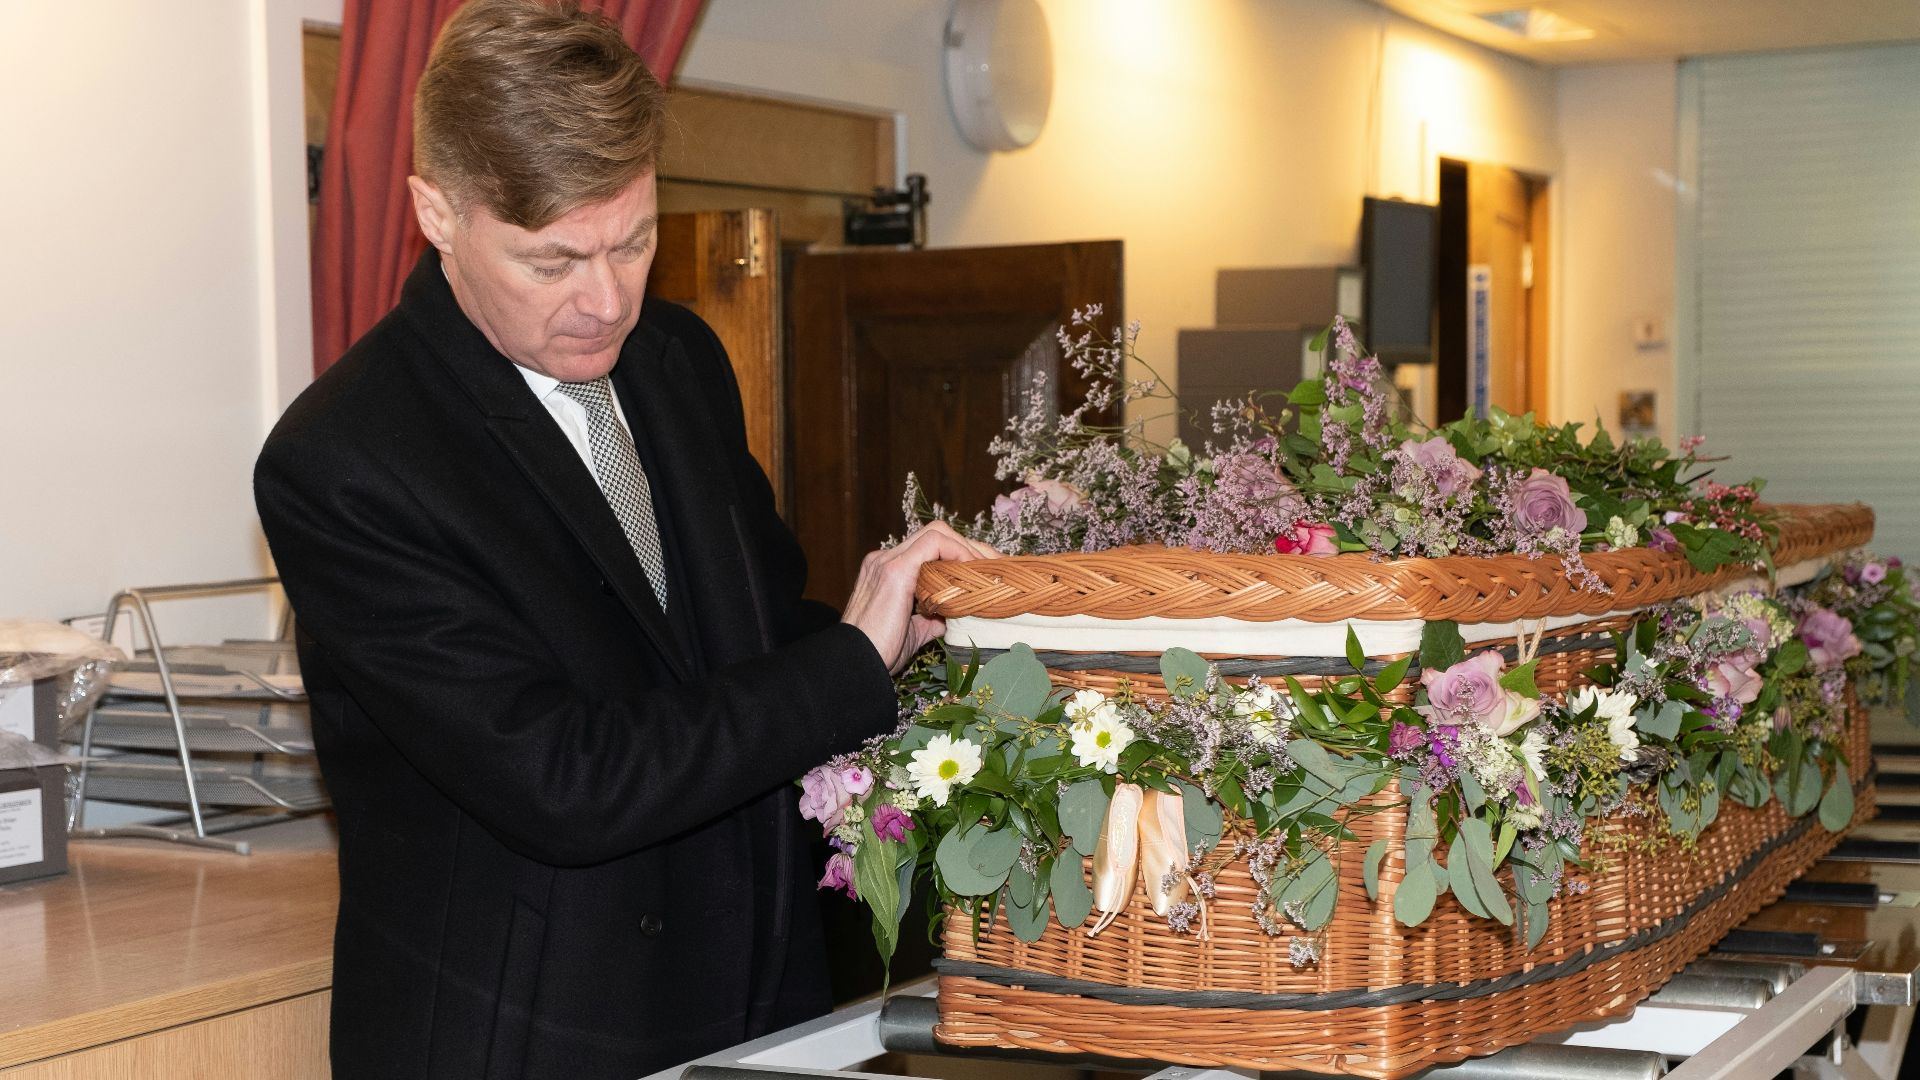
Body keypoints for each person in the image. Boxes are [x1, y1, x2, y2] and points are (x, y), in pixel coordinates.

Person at [253, 2, 992, 1077]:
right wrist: (847, 663)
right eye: (552, 262)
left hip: (757, 1006)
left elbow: (750, 646)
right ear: (435, 212)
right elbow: (565, 781)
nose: (605, 300)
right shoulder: (348, 460)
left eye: (632, 240)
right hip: (534, 1035)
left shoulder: (679, 359)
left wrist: (925, 620)